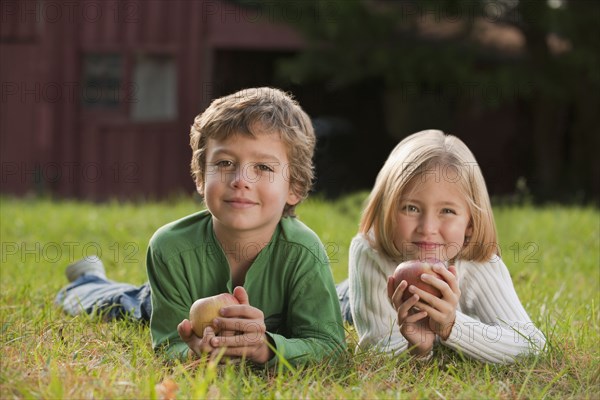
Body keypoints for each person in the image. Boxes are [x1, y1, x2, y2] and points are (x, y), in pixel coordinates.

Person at [56, 87, 346, 366]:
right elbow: (170, 344)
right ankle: (88, 282)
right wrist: (194, 353)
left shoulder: (304, 252)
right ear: (200, 178)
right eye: (224, 162)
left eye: (264, 167)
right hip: (173, 301)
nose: (240, 179)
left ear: (294, 187)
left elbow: (329, 346)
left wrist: (266, 349)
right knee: (124, 304)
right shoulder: (170, 248)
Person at [343, 129, 546, 363]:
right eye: (411, 208)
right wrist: (416, 350)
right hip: (351, 298)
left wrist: (451, 326)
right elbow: (372, 352)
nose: (427, 227)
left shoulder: (479, 262)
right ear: (385, 210)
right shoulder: (370, 251)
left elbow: (531, 344)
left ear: (470, 224)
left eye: (447, 211)